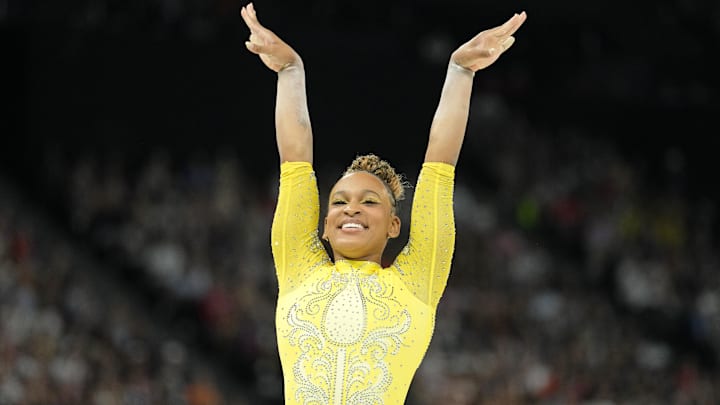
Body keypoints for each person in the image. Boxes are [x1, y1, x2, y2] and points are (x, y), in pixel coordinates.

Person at [240, 3, 527, 403]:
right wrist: (290, 71)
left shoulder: (416, 282)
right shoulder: (298, 269)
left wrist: (461, 72)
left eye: (369, 201)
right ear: (323, 224)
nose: (351, 208)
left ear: (394, 225)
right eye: (339, 201)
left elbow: (440, 164)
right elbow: (295, 159)